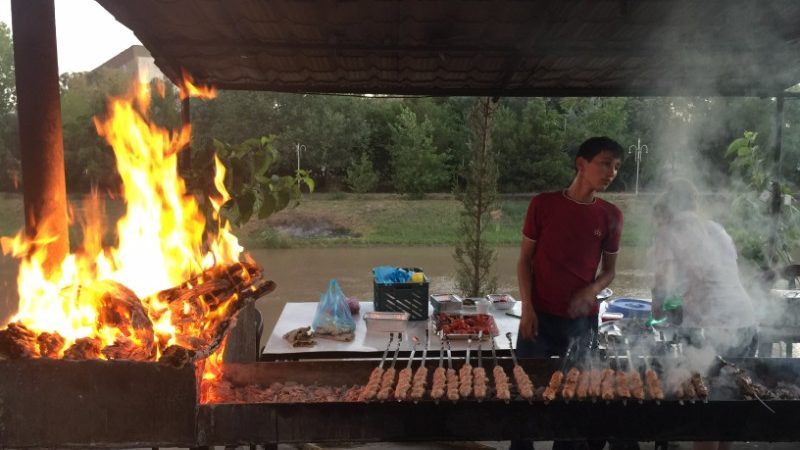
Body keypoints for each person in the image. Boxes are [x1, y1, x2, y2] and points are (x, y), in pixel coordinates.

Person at [513, 136, 625, 450]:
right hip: (539, 319)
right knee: (526, 397)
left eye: (616, 167)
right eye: (605, 164)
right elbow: (524, 260)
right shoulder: (543, 205)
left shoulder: (611, 215)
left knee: (574, 401)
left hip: (582, 324)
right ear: (581, 164)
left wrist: (592, 289)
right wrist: (527, 309)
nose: (611, 173)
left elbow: (609, 272)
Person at [651, 180, 758, 450]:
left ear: (667, 212)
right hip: (745, 321)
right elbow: (716, 278)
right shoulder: (716, 229)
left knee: (705, 402)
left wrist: (659, 310)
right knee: (732, 396)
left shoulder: (669, 233)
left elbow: (660, 292)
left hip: (712, 329)